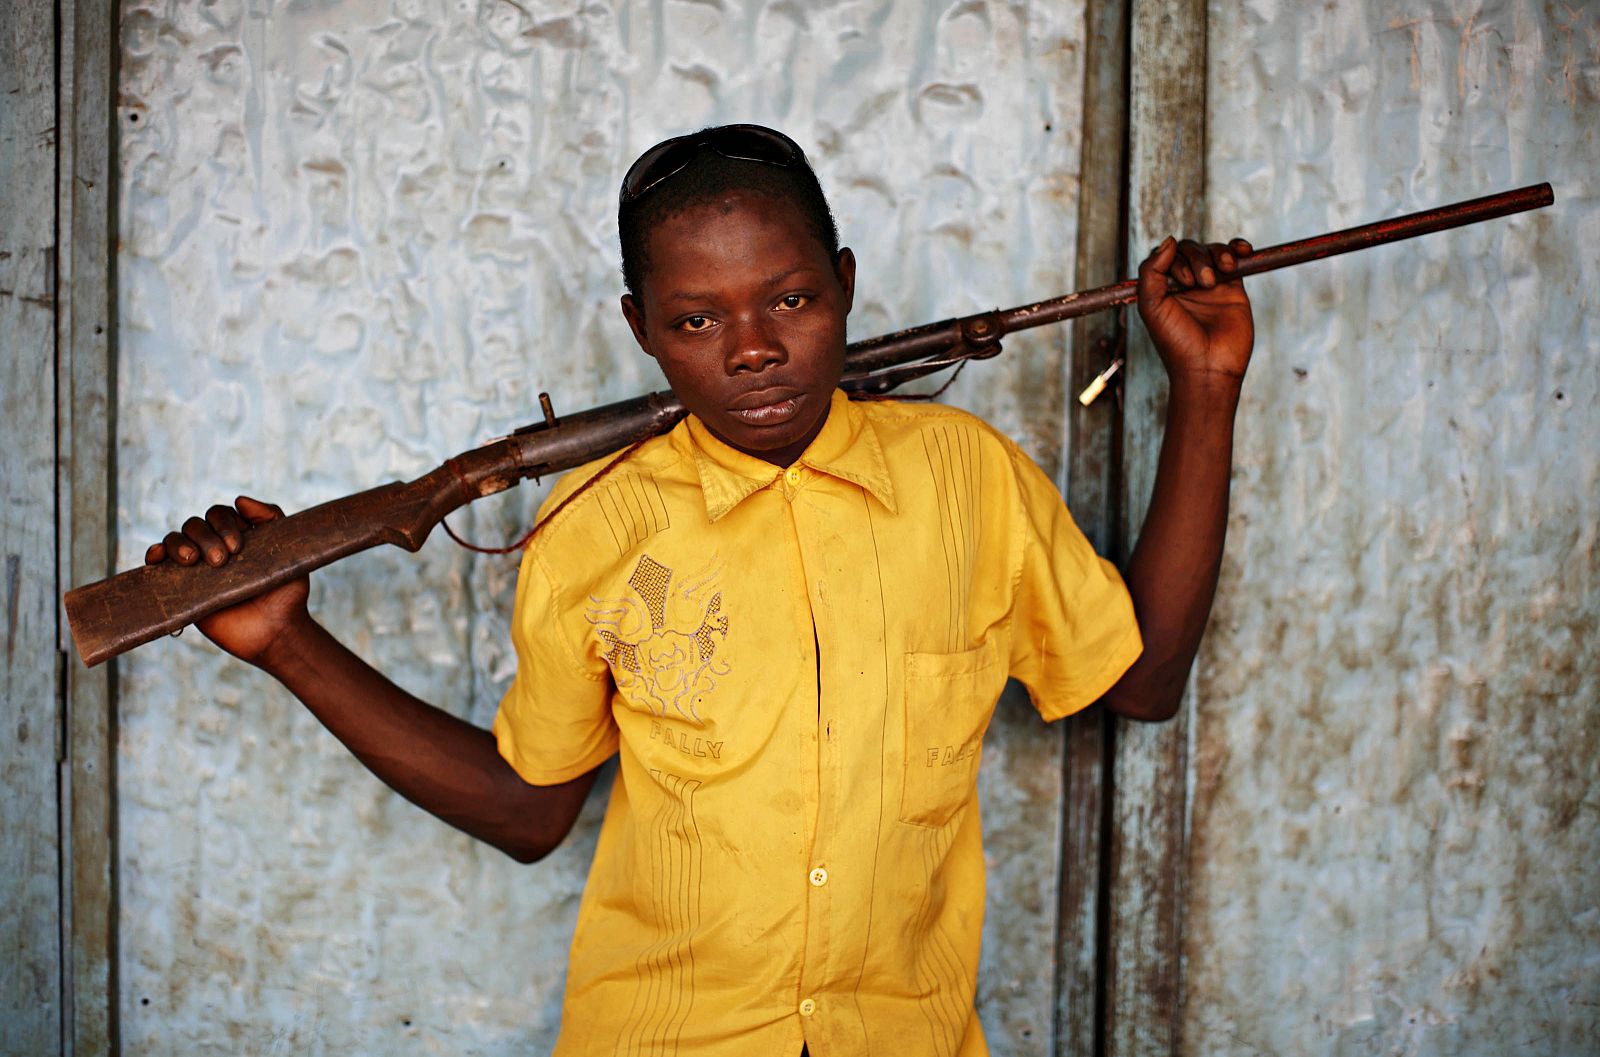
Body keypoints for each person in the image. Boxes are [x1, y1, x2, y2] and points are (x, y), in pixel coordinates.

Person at [148, 124, 1253, 1056]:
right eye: (695, 319)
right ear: (639, 328)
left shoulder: (966, 481)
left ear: (846, 286)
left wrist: (1205, 385)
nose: (755, 349)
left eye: (790, 299)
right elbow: (533, 811)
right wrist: (286, 642)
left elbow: (1140, 681)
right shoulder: (597, 523)